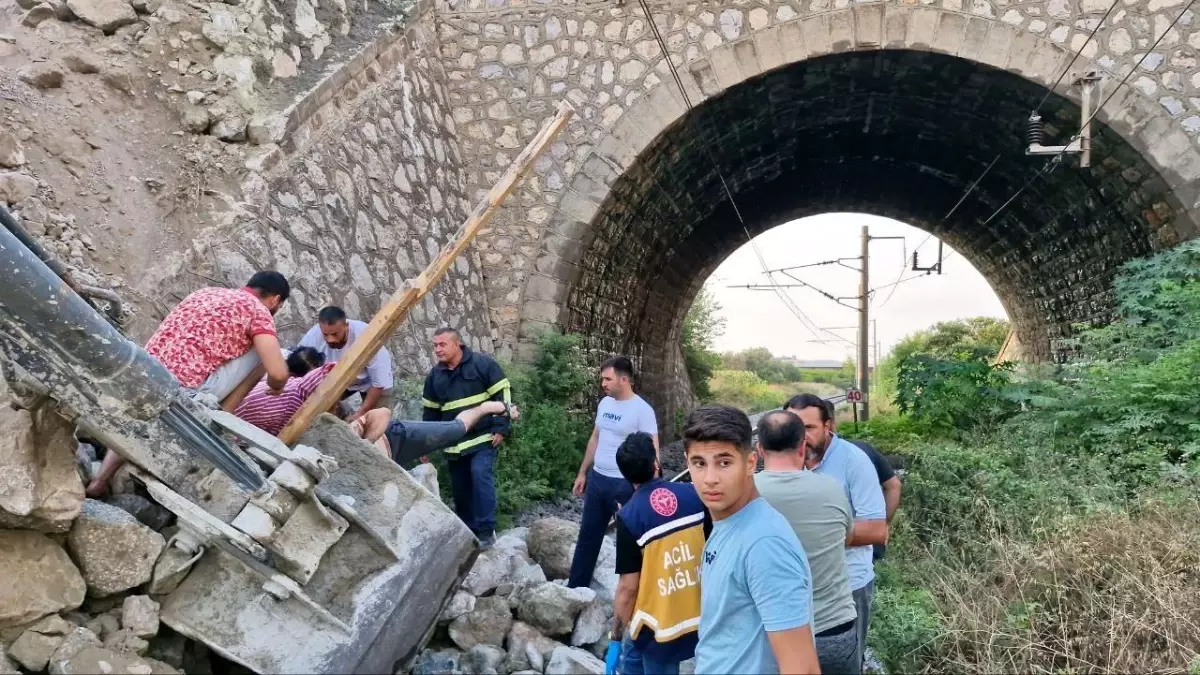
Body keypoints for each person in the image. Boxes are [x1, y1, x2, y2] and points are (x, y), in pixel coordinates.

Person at [85, 271, 292, 497]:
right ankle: (218, 419)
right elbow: (278, 373)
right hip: (185, 387)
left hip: (144, 371)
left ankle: (101, 478)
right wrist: (276, 386)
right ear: (275, 300)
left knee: (140, 421)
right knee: (267, 353)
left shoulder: (205, 293)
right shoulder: (259, 311)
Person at [684, 405, 821, 675]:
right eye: (699, 463)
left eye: (724, 463)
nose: (710, 479)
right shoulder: (729, 522)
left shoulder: (764, 544)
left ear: (750, 463)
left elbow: (802, 668)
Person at [235, 346, 519, 463]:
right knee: (455, 430)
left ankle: (488, 408)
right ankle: (487, 409)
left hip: (394, 436)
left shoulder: (300, 400)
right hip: (391, 446)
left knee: (457, 428)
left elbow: (380, 412)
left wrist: (361, 434)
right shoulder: (300, 408)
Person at [755, 410, 860, 674]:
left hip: (771, 635)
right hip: (833, 629)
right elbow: (846, 538)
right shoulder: (832, 489)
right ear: (803, 446)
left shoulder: (745, 493)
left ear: (759, 449)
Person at [786, 393, 888, 666]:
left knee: (847, 663)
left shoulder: (853, 461)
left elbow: (878, 530)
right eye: (795, 428)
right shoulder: (786, 462)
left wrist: (818, 536)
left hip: (847, 587)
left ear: (828, 426)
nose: (801, 436)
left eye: (809, 428)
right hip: (798, 585)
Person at [612, 432, 709, 675]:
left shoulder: (629, 517)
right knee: (633, 652)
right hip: (697, 611)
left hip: (659, 626)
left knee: (634, 651)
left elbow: (628, 588)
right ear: (656, 463)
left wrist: (614, 638)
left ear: (626, 476)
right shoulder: (694, 495)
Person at [568, 356, 659, 589]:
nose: (603, 383)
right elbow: (596, 437)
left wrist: (651, 487)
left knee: (631, 542)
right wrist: (583, 473)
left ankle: (635, 593)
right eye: (602, 379)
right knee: (588, 537)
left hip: (625, 485)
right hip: (598, 480)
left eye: (608, 379)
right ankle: (576, 589)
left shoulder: (642, 410)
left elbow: (652, 450)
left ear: (624, 379)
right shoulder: (605, 404)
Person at [422, 327, 512, 546]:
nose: (438, 349)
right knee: (460, 488)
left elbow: (503, 393)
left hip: (483, 437)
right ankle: (468, 534)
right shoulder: (435, 377)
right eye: (435, 345)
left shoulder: (483, 364)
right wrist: (425, 445)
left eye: (442, 344)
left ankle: (486, 530)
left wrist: (501, 427)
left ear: (457, 344)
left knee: (480, 473)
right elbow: (431, 413)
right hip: (454, 444)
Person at [826, 400, 902, 561]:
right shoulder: (862, 449)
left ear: (828, 425)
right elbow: (894, 485)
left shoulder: (856, 453)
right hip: (864, 546)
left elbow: (894, 485)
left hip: (845, 550)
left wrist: (883, 524)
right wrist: (885, 523)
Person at [298, 306, 395, 423]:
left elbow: (378, 384)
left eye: (335, 334)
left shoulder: (367, 336)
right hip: (341, 379)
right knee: (319, 408)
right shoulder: (314, 336)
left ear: (346, 326)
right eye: (326, 335)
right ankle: (342, 422)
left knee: (378, 421)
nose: (330, 340)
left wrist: (361, 413)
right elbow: (298, 362)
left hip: (372, 383)